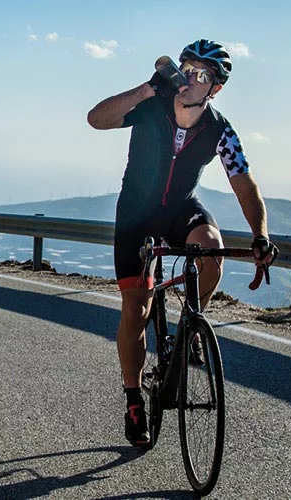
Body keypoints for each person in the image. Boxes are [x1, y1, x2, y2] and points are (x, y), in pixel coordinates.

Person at [85, 39, 277, 447]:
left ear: (216, 89)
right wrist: (146, 88)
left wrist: (260, 234)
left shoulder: (219, 129)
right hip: (136, 215)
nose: (191, 78)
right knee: (136, 308)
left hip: (179, 210)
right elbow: (96, 119)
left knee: (211, 249)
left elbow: (244, 184)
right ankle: (134, 399)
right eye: (187, 68)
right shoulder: (151, 106)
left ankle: (191, 325)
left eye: (202, 75)